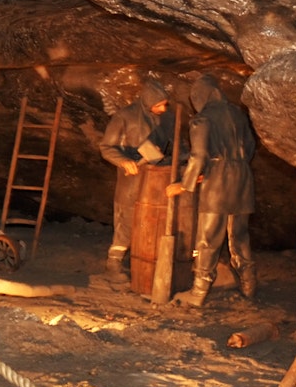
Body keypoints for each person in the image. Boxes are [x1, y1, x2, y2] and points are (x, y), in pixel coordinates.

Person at [166, 74, 257, 307]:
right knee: (239, 235)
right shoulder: (238, 114)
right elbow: (250, 146)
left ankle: (198, 292)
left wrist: (183, 185)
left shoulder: (202, 120)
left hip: (218, 182)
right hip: (243, 178)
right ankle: (248, 285)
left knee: (208, 239)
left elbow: (198, 156)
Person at [98, 79, 174, 279]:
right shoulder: (125, 117)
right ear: (149, 102)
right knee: (127, 218)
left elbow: (174, 145)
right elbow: (106, 147)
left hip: (156, 179)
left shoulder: (164, 119)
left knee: (152, 220)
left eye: (165, 104)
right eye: (160, 104)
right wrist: (124, 161)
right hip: (131, 178)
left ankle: (143, 261)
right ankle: (114, 263)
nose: (163, 108)